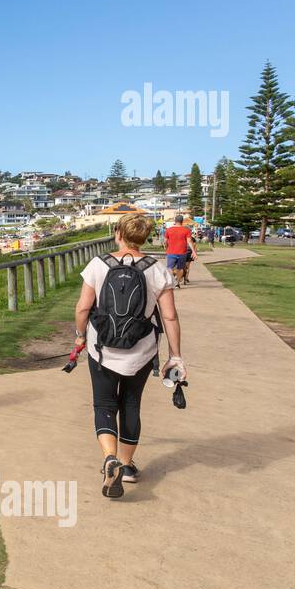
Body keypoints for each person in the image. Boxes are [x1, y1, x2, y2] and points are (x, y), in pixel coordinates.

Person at [74, 213, 185, 499]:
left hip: (102, 350)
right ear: (145, 237)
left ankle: (109, 458)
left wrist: (80, 336)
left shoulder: (99, 264)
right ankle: (126, 465)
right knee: (131, 404)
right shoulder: (157, 269)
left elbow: (83, 308)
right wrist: (176, 357)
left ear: (117, 234)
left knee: (104, 404)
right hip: (141, 351)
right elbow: (169, 317)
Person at [163, 213, 197, 288]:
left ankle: (171, 281)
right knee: (180, 268)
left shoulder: (169, 230)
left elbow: (165, 241)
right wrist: (193, 251)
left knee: (169, 268)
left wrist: (165, 246)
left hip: (171, 252)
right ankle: (177, 282)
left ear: (175, 221)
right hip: (182, 252)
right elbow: (189, 241)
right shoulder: (186, 230)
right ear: (182, 221)